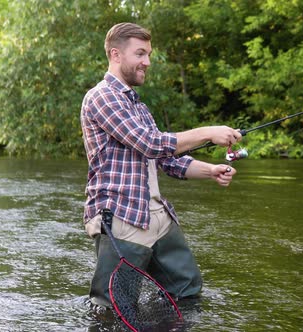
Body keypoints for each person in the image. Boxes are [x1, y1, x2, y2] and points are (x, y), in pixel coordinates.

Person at [80, 22, 242, 308]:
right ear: (116, 55)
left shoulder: (138, 106)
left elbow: (168, 160)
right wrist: (208, 132)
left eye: (149, 54)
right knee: (114, 308)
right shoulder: (101, 97)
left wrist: (210, 170)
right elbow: (149, 143)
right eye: (140, 54)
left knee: (188, 290)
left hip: (157, 216)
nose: (148, 62)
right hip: (123, 217)